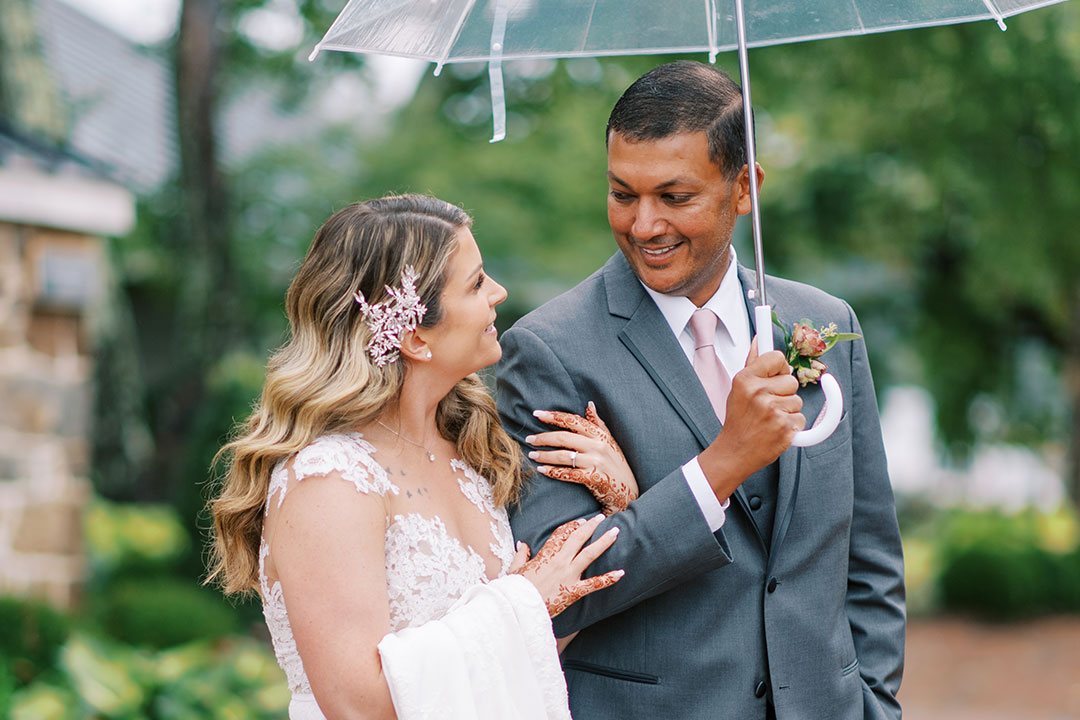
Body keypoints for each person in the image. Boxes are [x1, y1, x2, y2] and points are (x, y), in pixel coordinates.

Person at [497, 61, 906, 720]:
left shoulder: (824, 326)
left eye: (674, 196)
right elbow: (555, 592)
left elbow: (870, 551)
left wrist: (875, 702)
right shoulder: (550, 350)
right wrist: (722, 466)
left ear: (744, 189)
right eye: (622, 193)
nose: (644, 225)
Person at [206, 194, 629, 720]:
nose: (498, 292)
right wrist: (524, 605)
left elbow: (532, 655)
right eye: (476, 284)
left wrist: (619, 504)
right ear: (413, 336)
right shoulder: (330, 480)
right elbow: (357, 704)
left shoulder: (475, 452)